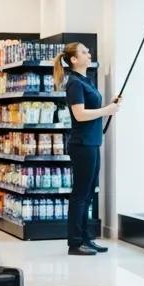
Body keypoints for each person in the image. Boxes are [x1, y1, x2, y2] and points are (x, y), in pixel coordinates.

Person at [53, 42, 120, 256]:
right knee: (80, 194)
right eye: (84, 52)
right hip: (82, 145)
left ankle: (86, 238)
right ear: (73, 59)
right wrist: (107, 110)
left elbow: (92, 110)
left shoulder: (86, 80)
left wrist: (109, 105)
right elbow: (80, 114)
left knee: (89, 193)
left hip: (92, 142)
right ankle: (74, 242)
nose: (88, 53)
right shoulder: (74, 83)